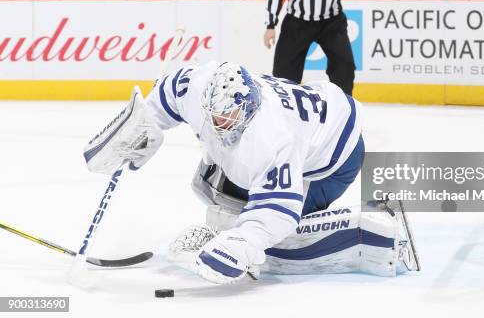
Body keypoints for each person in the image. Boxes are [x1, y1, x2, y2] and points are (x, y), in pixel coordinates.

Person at [83, 61, 418, 283]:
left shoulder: (272, 136)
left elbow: (276, 210)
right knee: (209, 185)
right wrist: (143, 128)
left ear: (251, 105)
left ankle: (370, 232)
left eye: (229, 119)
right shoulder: (198, 87)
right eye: (215, 118)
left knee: (277, 239)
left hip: (335, 159)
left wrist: (243, 243)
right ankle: (236, 227)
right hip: (315, 121)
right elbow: (166, 96)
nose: (220, 126)